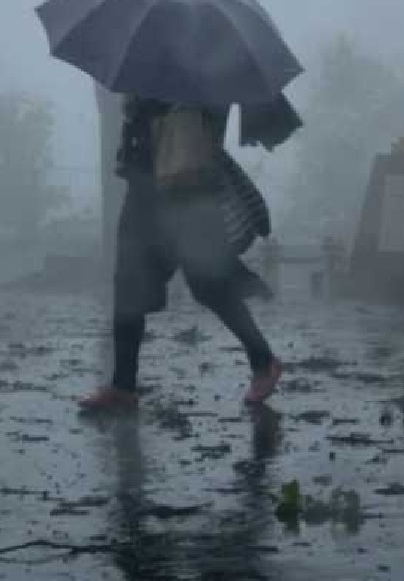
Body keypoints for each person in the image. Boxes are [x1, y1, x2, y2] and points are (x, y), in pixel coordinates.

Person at [79, 96, 282, 413]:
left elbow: (210, 126)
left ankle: (263, 360)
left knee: (209, 287)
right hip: (143, 187)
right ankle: (123, 387)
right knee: (129, 286)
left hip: (188, 191)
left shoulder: (200, 80)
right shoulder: (148, 78)